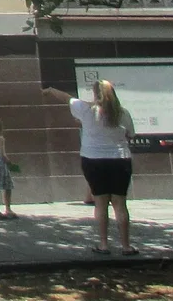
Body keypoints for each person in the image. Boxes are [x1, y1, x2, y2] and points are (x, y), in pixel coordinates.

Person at [44, 80, 137, 255]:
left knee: (100, 203)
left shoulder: (87, 111)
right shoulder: (123, 113)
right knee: (120, 204)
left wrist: (50, 89)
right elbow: (130, 135)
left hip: (93, 160)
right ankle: (126, 246)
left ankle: (103, 245)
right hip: (120, 160)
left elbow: (67, 98)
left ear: (95, 94)